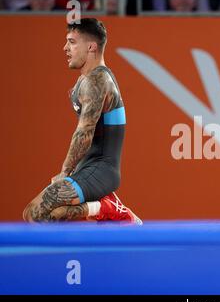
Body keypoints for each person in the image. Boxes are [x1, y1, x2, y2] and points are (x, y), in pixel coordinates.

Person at [23, 18, 142, 224]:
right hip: (88, 167)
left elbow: (83, 134)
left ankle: (108, 207)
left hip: (101, 170)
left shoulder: (98, 80)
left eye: (71, 42)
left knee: (34, 214)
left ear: (91, 47)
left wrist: (64, 172)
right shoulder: (85, 79)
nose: (65, 48)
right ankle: (104, 206)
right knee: (52, 216)